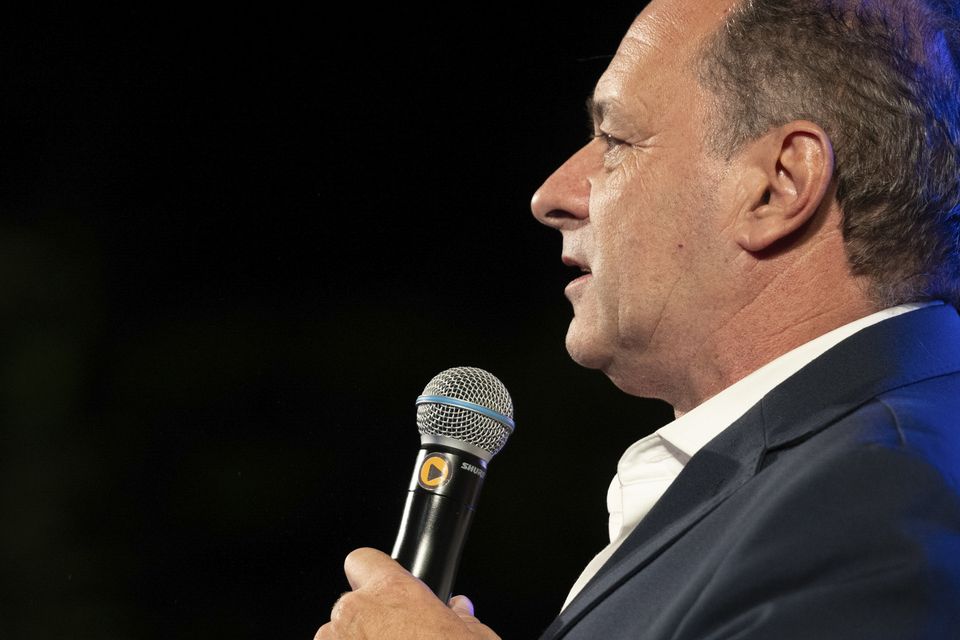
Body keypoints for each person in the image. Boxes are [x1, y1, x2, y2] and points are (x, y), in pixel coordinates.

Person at [315, 0, 960, 637]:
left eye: (616, 139)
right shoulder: (835, 475)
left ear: (779, 185)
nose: (552, 195)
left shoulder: (878, 498)